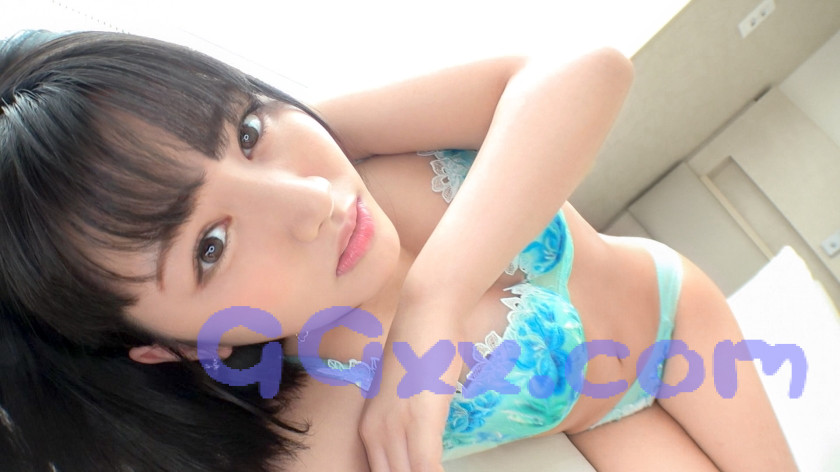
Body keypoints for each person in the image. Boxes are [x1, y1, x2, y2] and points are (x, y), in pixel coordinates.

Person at [0, 30, 796, 472]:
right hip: (612, 418)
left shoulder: (341, 139)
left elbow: (588, 70)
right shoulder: (316, 415)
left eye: (243, 130)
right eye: (210, 247)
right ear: (164, 347)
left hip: (683, 319)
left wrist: (433, 301)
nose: (310, 202)